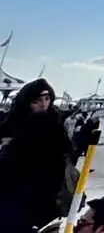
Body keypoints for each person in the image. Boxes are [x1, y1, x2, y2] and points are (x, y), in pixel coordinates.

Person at [0, 79, 71, 233]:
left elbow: (64, 154)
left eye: (47, 99)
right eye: (37, 101)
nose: (43, 104)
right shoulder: (12, 124)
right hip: (11, 192)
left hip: (43, 195)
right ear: (27, 103)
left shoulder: (55, 125)